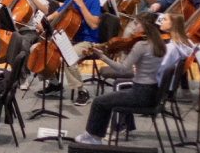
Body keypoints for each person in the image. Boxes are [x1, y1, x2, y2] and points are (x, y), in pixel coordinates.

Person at [72, 12, 168, 145]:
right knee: (106, 102)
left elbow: (122, 69)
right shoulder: (160, 44)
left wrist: (102, 57)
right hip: (152, 93)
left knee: (99, 102)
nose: (134, 28)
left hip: (140, 93)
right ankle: (96, 138)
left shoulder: (141, 46)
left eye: (136, 24)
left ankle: (92, 137)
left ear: (145, 25)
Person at [38, 0, 102, 106]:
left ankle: (82, 91)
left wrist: (81, 5)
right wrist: (44, 22)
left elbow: (93, 25)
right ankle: (54, 84)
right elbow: (57, 14)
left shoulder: (93, 0)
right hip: (69, 39)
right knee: (38, 50)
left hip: (87, 41)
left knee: (68, 56)